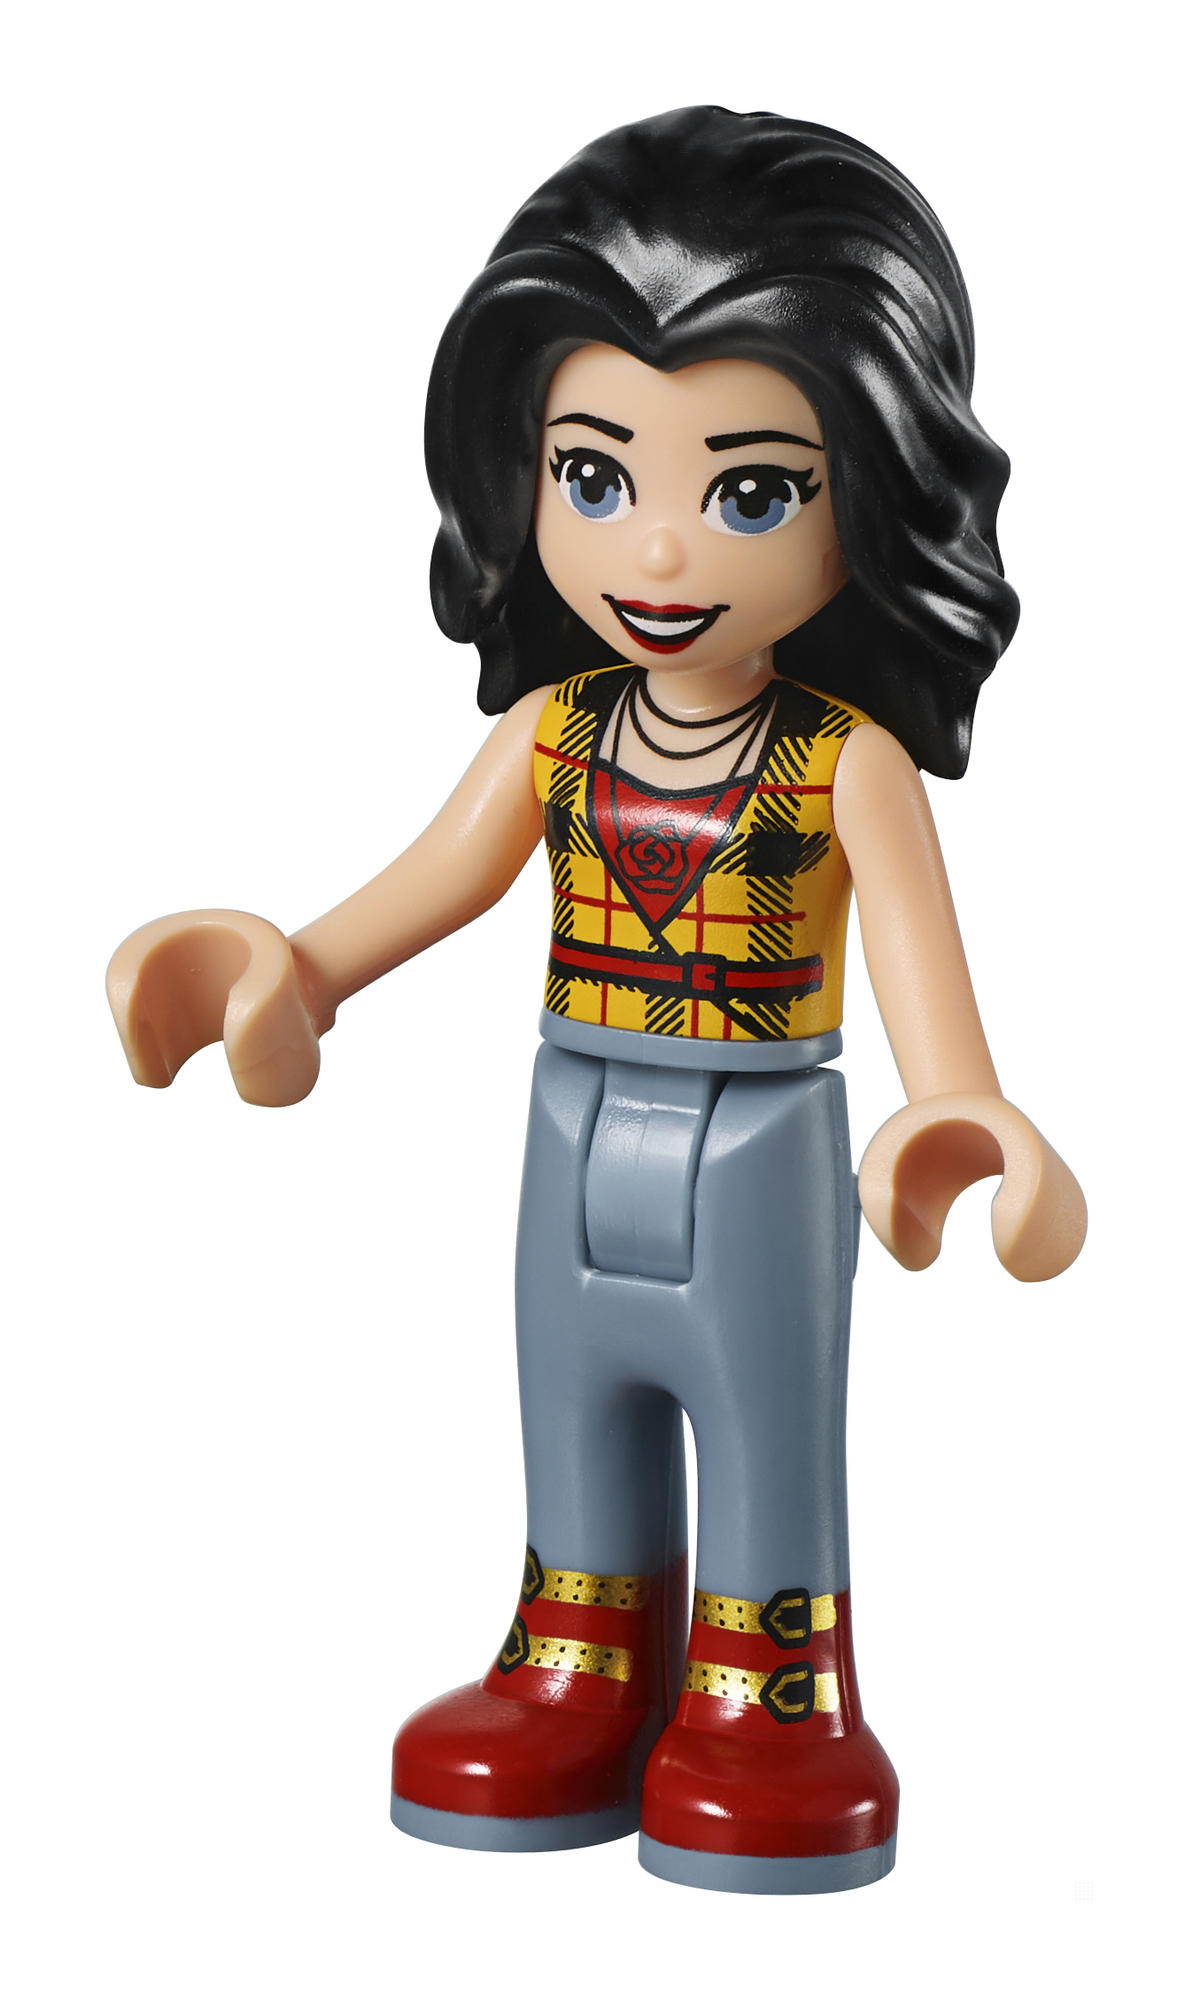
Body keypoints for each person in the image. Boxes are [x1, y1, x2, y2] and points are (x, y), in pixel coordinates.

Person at [107, 108, 1086, 1894]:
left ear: (873, 490)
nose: (657, 554)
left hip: (761, 1142)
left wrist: (957, 1113)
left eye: (749, 492)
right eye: (593, 474)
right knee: (572, 1399)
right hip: (568, 1113)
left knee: (765, 1420)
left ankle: (773, 1699)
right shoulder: (550, 735)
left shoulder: (844, 764)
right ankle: (577, 1659)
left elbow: (926, 993)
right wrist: (290, 969)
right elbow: (426, 883)